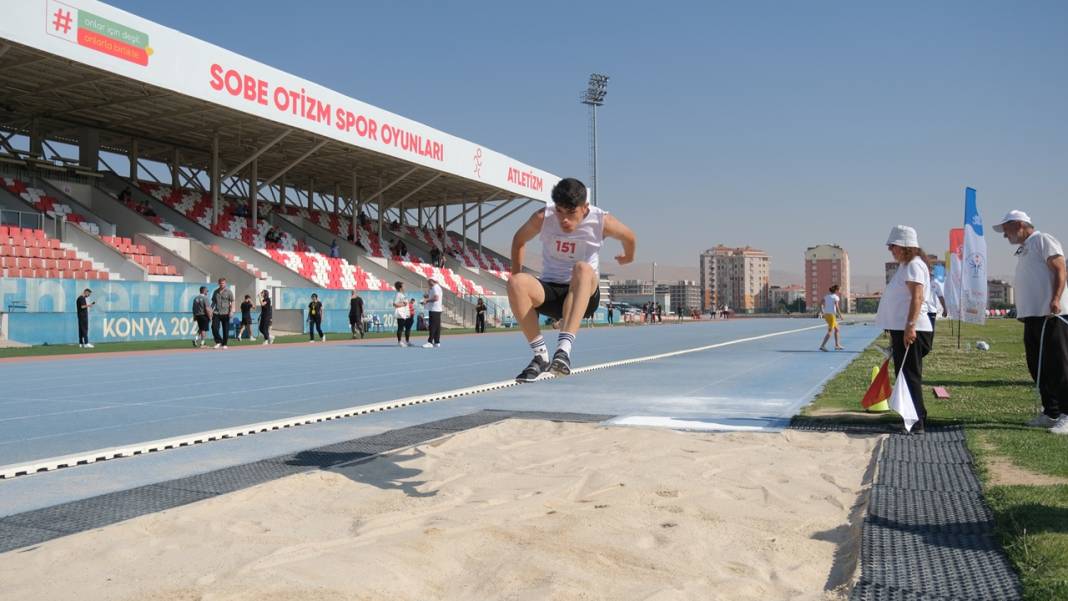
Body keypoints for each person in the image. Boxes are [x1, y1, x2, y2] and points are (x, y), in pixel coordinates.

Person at [507, 177, 636, 382]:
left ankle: (563, 351)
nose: (564, 219)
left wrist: (627, 257)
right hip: (550, 291)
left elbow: (629, 237)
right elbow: (518, 240)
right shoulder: (543, 217)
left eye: (571, 212)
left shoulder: (602, 221)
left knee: (582, 268)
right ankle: (540, 357)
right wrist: (515, 288)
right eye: (559, 211)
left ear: (585, 208)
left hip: (583, 295)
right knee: (516, 282)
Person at [993, 210, 1068, 433]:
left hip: (1051, 315)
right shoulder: (1024, 249)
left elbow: (1060, 269)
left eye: (1006, 230)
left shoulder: (1042, 240)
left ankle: (1067, 413)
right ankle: (1051, 411)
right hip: (1033, 316)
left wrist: (1055, 299)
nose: (1005, 236)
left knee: (1059, 365)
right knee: (1038, 366)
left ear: (1019, 225)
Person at [875, 225, 933, 434]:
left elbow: (916, 297)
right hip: (902, 328)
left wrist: (910, 327)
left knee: (909, 375)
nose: (891, 249)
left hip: (912, 329)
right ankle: (910, 418)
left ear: (906, 247)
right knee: (904, 375)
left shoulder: (914, 265)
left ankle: (917, 422)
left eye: (894, 246)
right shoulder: (906, 265)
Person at [210, 278, 234, 349]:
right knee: (214, 327)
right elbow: (213, 302)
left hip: (226, 313)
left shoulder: (229, 291)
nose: (222, 284)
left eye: (223, 283)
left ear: (225, 283)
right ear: (218, 283)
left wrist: (231, 311)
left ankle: (225, 344)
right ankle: (218, 341)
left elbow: (232, 301)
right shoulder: (215, 292)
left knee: (225, 329)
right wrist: (211, 311)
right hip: (216, 312)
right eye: (220, 283)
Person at [819, 284, 844, 351]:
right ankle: (822, 346)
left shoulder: (827, 296)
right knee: (830, 331)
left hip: (827, 315)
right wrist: (840, 315)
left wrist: (822, 311)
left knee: (837, 329)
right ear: (836, 290)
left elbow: (820, 303)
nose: (840, 290)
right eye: (839, 289)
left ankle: (837, 345)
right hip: (831, 316)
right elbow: (837, 306)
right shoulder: (835, 297)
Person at [423, 277, 443, 348]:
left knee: (432, 326)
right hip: (436, 309)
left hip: (434, 309)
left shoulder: (435, 287)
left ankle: (430, 342)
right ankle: (437, 342)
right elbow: (434, 297)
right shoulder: (435, 288)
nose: (428, 282)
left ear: (432, 281)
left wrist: (427, 300)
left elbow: (436, 298)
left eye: (429, 280)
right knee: (437, 326)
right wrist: (427, 297)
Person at [393, 281, 413, 346]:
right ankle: (399, 341)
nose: (405, 287)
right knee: (400, 327)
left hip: (405, 313)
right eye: (403, 286)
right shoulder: (398, 294)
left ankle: (407, 341)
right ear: (400, 287)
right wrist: (403, 304)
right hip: (400, 313)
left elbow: (405, 303)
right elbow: (395, 304)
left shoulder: (402, 294)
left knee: (407, 327)